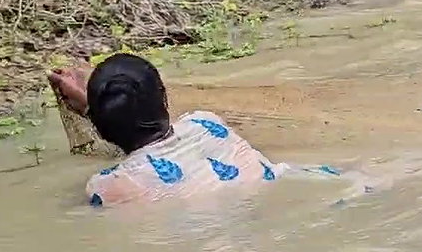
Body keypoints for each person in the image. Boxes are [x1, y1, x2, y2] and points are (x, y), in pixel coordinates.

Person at [48, 53, 297, 207]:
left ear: (100, 129)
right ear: (164, 100)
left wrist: (93, 111)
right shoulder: (206, 124)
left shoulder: (107, 187)